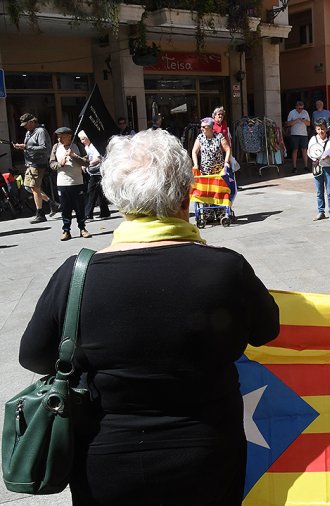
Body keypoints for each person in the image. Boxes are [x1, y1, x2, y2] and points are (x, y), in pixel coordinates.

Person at [18, 128, 280, 504]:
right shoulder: (226, 270)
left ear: (118, 198)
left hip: (105, 460)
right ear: (185, 195)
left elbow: (34, 356)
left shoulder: (77, 274)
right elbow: (267, 330)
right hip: (206, 455)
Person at [13, 113, 57, 223]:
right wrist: (21, 147)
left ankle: (40, 213)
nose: (24, 127)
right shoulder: (29, 132)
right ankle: (52, 203)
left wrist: (26, 147)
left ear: (32, 122)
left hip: (38, 163)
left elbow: (45, 148)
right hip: (30, 163)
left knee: (34, 188)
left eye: (26, 124)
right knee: (29, 187)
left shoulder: (40, 131)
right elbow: (28, 147)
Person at [50, 126, 91, 241]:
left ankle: (82, 228)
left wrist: (74, 155)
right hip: (62, 183)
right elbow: (52, 164)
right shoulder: (56, 147)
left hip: (77, 182)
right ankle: (66, 230)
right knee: (65, 208)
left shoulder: (77, 146)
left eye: (61, 137)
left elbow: (86, 162)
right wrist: (60, 164)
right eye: (58, 137)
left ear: (69, 136)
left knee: (79, 207)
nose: (59, 140)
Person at [308, 119, 330, 221]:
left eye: (323, 129)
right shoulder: (313, 139)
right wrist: (315, 157)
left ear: (327, 128)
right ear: (316, 129)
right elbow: (309, 152)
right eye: (319, 129)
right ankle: (321, 211)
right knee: (319, 191)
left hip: (329, 167)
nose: (321, 131)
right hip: (317, 167)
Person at [78, 130, 111, 221]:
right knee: (100, 191)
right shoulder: (87, 146)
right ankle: (105, 212)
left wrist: (88, 164)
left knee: (91, 191)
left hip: (97, 171)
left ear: (87, 138)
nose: (82, 141)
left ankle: (88, 214)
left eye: (83, 139)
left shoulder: (93, 146)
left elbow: (99, 158)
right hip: (93, 171)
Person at [287, 101, 311, 173]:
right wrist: (296, 121)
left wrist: (303, 121)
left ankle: (306, 166)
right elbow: (288, 123)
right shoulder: (292, 113)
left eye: (302, 108)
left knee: (304, 149)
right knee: (295, 150)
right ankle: (294, 167)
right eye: (299, 108)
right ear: (296, 107)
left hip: (304, 134)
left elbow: (309, 123)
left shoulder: (305, 112)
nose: (301, 110)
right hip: (294, 134)